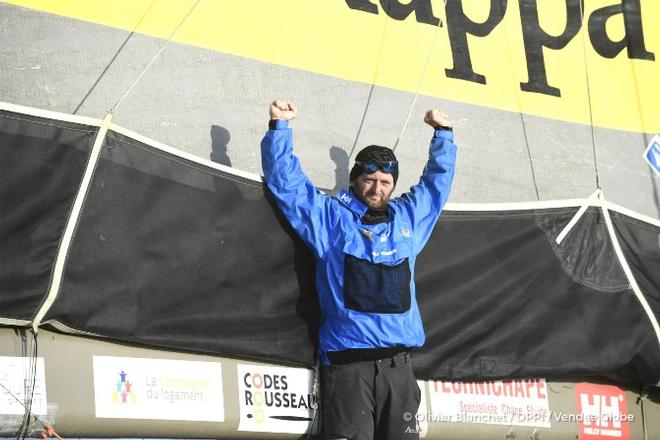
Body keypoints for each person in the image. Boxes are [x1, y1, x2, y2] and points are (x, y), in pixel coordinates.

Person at [261, 99, 457, 440]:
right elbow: (290, 189)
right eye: (369, 179)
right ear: (355, 180)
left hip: (399, 369)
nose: (376, 188)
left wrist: (443, 135)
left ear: (393, 185)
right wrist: (280, 127)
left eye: (385, 182)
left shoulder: (409, 219)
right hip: (348, 368)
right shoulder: (331, 219)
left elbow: (435, 187)